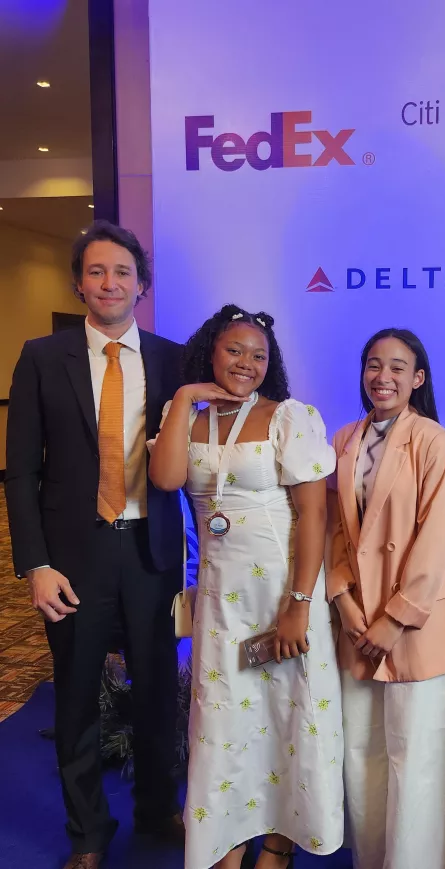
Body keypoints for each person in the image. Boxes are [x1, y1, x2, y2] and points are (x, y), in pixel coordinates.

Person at [5, 221, 185, 869]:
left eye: (123, 272)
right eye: (97, 271)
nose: (110, 283)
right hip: (72, 560)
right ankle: (87, 831)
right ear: (79, 283)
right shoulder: (40, 357)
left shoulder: (173, 360)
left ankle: (158, 809)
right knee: (78, 696)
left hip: (151, 553)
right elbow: (21, 472)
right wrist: (35, 563)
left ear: (142, 285)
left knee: (158, 693)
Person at [149, 304, 344, 869]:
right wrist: (184, 398)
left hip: (283, 592)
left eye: (259, 355)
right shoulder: (186, 415)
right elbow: (165, 478)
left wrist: (299, 604)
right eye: (234, 350)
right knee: (225, 722)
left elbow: (314, 516)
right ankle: (227, 839)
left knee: (289, 713)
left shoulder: (289, 416)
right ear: (210, 352)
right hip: (220, 599)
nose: (246, 363)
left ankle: (279, 846)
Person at [326, 328, 445, 869]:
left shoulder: (434, 440)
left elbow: (436, 539)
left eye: (396, 367)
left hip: (417, 623)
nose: (382, 377)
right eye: (373, 364)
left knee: (419, 756)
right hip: (356, 620)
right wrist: (342, 600)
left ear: (418, 378)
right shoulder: (343, 438)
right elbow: (334, 531)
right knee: (362, 753)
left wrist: (395, 619)